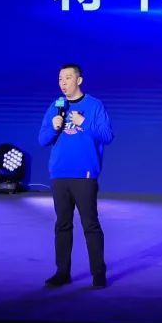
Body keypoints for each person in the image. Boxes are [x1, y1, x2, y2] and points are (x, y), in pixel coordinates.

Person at [38, 63, 114, 289]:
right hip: (59, 174)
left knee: (90, 225)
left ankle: (98, 273)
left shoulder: (94, 105)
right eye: (60, 79)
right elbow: (42, 140)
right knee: (62, 225)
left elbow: (107, 136)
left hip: (84, 175)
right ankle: (62, 272)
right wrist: (54, 128)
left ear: (79, 80)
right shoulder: (56, 106)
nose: (63, 83)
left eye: (68, 78)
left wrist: (84, 123)